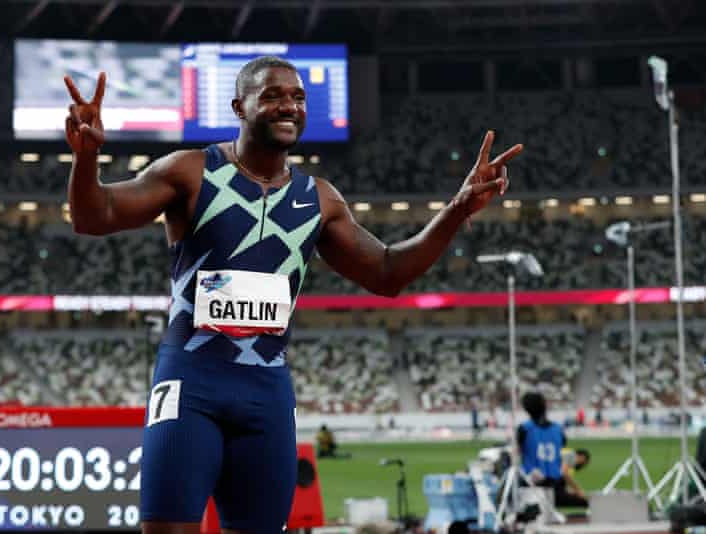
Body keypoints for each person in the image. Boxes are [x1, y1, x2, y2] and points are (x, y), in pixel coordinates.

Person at [64, 56, 523, 533]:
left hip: (266, 396)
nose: (289, 105)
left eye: (298, 97)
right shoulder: (192, 172)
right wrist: (85, 157)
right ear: (239, 107)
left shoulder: (318, 198)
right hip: (189, 387)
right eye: (273, 96)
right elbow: (94, 216)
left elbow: (388, 272)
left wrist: (457, 209)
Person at [517, 391, 587, 508]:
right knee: (581, 502)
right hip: (556, 484)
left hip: (532, 485)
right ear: (545, 405)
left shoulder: (524, 429)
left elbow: (517, 451)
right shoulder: (558, 429)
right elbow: (562, 446)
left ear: (526, 409)